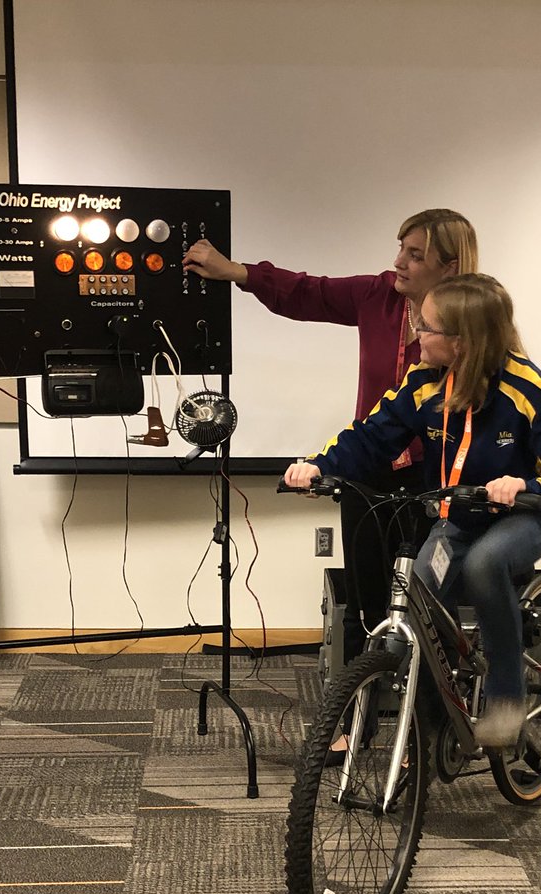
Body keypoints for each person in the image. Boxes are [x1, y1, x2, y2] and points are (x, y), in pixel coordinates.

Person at [283, 274, 541, 747]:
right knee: (418, 597)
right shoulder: (425, 382)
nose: (415, 334)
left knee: (484, 564)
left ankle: (505, 698)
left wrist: (527, 485)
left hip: (522, 518)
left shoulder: (526, 387)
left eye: (426, 326)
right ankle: (435, 725)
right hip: (456, 518)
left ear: (462, 340)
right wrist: (317, 465)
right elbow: (371, 436)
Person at [182, 210, 479, 689]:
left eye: (415, 254)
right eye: (400, 247)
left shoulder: (474, 317)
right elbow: (308, 292)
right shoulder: (377, 295)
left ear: (449, 266)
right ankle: (353, 709)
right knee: (365, 593)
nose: (398, 261)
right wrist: (237, 271)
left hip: (439, 474)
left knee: (428, 596)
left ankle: (431, 714)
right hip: (370, 466)